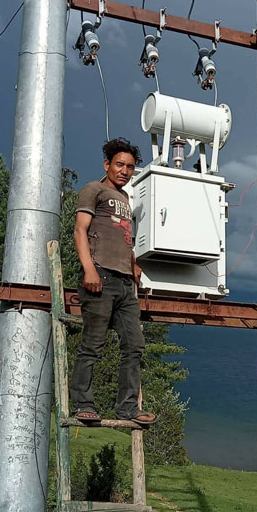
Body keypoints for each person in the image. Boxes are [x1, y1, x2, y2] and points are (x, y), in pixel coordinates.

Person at [69, 138, 158, 426]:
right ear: (107, 164)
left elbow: (122, 236)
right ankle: (84, 404)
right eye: (119, 164)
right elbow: (80, 231)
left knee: (134, 345)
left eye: (130, 167)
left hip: (123, 283)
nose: (124, 171)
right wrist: (89, 270)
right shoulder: (93, 190)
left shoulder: (125, 199)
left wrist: (132, 264)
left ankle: (128, 408)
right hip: (100, 276)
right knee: (93, 345)